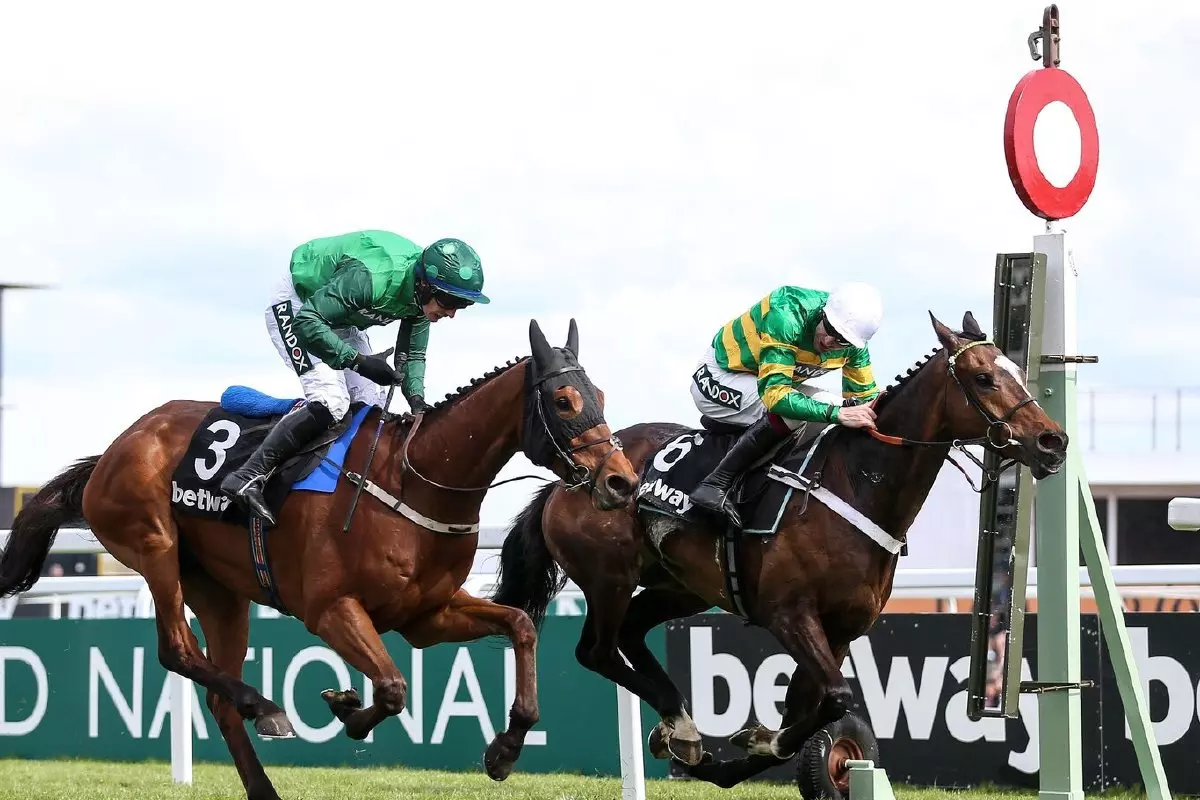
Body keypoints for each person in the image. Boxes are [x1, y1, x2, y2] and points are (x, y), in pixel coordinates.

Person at [220, 229, 488, 524]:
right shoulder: (372, 278)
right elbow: (308, 322)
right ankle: (246, 476)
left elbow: (412, 354)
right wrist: (358, 362)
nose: (452, 313)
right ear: (424, 284)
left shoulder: (421, 298)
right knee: (332, 402)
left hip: (338, 313)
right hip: (299, 306)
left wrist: (417, 401)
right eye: (449, 301)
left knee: (371, 409)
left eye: (462, 304)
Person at [687, 282, 883, 528]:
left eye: (843, 340)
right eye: (830, 329)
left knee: (836, 406)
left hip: (763, 384)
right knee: (822, 409)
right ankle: (715, 483)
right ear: (823, 313)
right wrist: (837, 413)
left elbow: (865, 402)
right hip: (720, 377)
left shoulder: (854, 345)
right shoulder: (787, 314)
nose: (830, 341)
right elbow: (776, 396)